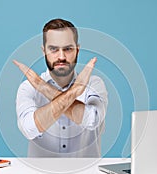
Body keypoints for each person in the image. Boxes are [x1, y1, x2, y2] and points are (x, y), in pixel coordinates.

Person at [13, 18, 108, 157]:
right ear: (44, 50)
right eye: (53, 49)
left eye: (68, 49)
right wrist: (74, 92)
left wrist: (44, 88)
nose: (61, 56)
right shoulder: (28, 87)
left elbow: (92, 120)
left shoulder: (94, 84)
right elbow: (29, 128)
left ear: (77, 50)